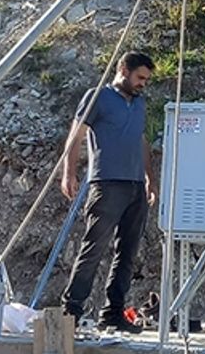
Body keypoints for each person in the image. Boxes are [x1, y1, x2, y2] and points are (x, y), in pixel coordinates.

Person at [60, 51, 158, 332]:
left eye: (146, 80)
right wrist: (69, 173)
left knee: (127, 253)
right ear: (123, 70)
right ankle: (71, 312)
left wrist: (150, 178)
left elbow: (141, 140)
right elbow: (76, 136)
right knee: (94, 248)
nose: (142, 84)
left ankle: (113, 313)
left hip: (135, 186)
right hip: (107, 183)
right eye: (139, 77)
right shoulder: (98, 97)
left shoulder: (139, 104)